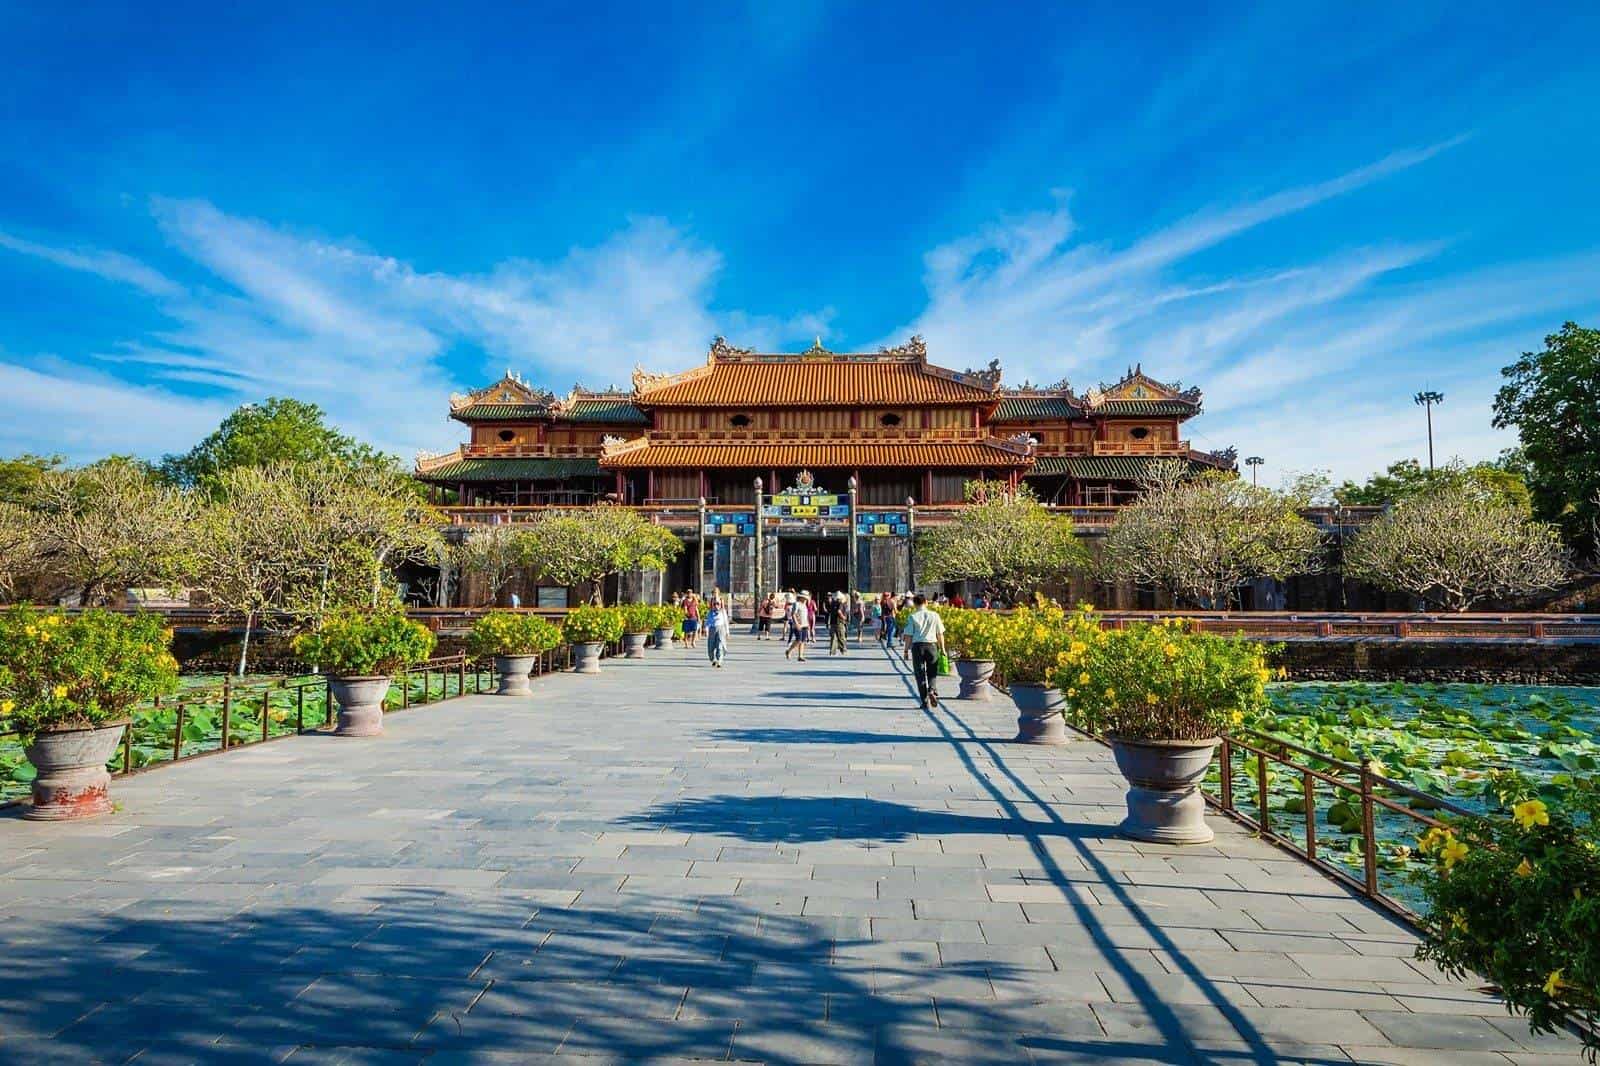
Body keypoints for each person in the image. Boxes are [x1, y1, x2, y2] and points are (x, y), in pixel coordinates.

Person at [902, 593, 947, 709]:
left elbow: (908, 636)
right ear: (926, 602)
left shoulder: (913, 616)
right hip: (932, 645)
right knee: (932, 671)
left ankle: (924, 700)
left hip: (917, 646)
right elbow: (940, 634)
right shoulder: (935, 615)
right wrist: (943, 649)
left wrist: (906, 650)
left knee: (920, 674)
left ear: (915, 604)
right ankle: (932, 689)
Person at [786, 590, 813, 661]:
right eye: (805, 598)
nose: (806, 599)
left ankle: (800, 656)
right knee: (798, 640)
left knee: (803, 641)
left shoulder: (805, 605)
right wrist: (796, 623)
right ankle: (789, 651)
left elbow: (805, 615)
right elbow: (793, 614)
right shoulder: (796, 604)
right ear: (801, 597)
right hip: (798, 625)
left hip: (805, 624)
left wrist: (808, 624)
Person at [704, 596, 730, 668]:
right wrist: (706, 630)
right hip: (712, 629)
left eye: (718, 604)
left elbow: (726, 622)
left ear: (721, 604)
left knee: (720, 645)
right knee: (710, 647)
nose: (716, 605)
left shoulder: (723, 612)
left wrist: (727, 632)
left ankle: (719, 661)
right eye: (714, 604)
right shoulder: (710, 612)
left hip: (721, 629)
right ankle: (713, 660)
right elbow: (707, 622)